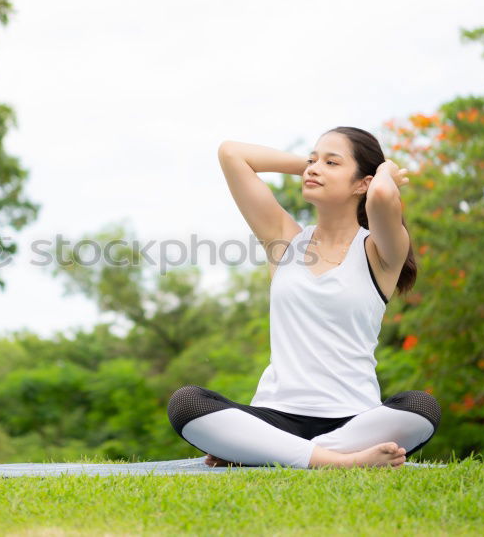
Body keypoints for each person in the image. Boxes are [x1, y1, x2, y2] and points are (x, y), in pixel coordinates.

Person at [166, 127, 441, 469]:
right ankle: (337, 461)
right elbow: (231, 154)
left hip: (354, 421)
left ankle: (266, 452)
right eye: (313, 159)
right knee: (187, 402)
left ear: (363, 183)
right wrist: (313, 166)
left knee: (420, 407)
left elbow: (383, 197)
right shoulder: (284, 241)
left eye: (331, 162)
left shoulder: (379, 252)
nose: (314, 168)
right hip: (274, 416)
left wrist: (385, 171)